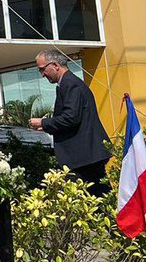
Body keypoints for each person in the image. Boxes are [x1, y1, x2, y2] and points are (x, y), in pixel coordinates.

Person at [29, 49, 112, 190]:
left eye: (42, 69)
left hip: (84, 158)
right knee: (95, 199)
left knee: (92, 200)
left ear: (55, 65)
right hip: (84, 156)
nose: (42, 74)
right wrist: (48, 126)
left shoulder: (71, 84)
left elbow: (71, 117)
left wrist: (44, 122)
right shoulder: (68, 84)